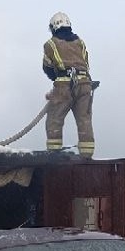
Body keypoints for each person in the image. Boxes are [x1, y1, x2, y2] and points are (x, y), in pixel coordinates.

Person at [41, 12, 95, 158]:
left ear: (53, 27)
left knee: (54, 120)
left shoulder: (50, 44)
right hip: (84, 85)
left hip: (63, 87)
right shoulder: (80, 42)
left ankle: (54, 154)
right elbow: (86, 64)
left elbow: (47, 67)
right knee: (84, 120)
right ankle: (87, 156)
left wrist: (58, 79)